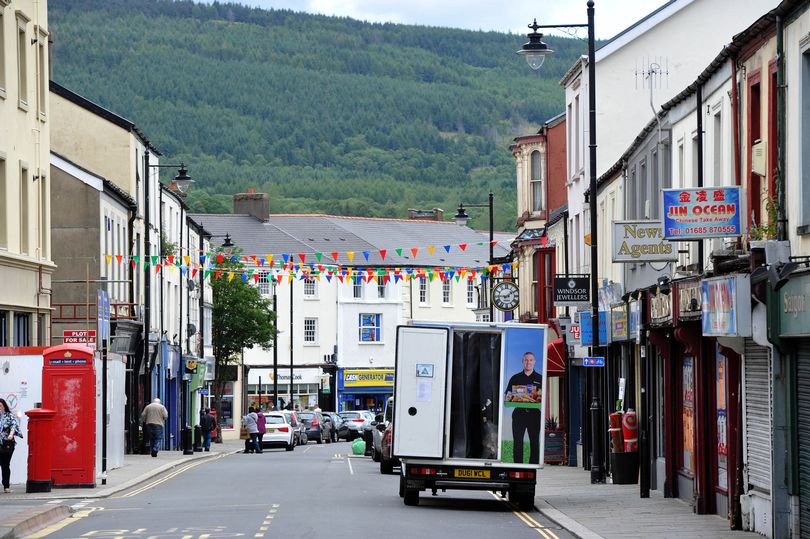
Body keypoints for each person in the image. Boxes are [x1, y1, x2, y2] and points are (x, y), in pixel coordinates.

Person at [504, 352, 544, 464]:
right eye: (526, 360)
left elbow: (544, 396)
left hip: (535, 415)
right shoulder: (515, 378)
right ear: (523, 362)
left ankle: (533, 465)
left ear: (534, 362)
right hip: (519, 414)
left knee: (535, 442)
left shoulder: (540, 378)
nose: (528, 362)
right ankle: (518, 464)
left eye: (531, 360)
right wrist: (509, 396)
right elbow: (508, 394)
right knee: (518, 442)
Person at [0, 398, 22, 493]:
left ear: (4, 406)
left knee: (5, 465)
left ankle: (6, 486)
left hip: (7, 444)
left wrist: (11, 434)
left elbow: (13, 426)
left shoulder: (9, 416)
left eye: (0, 405)